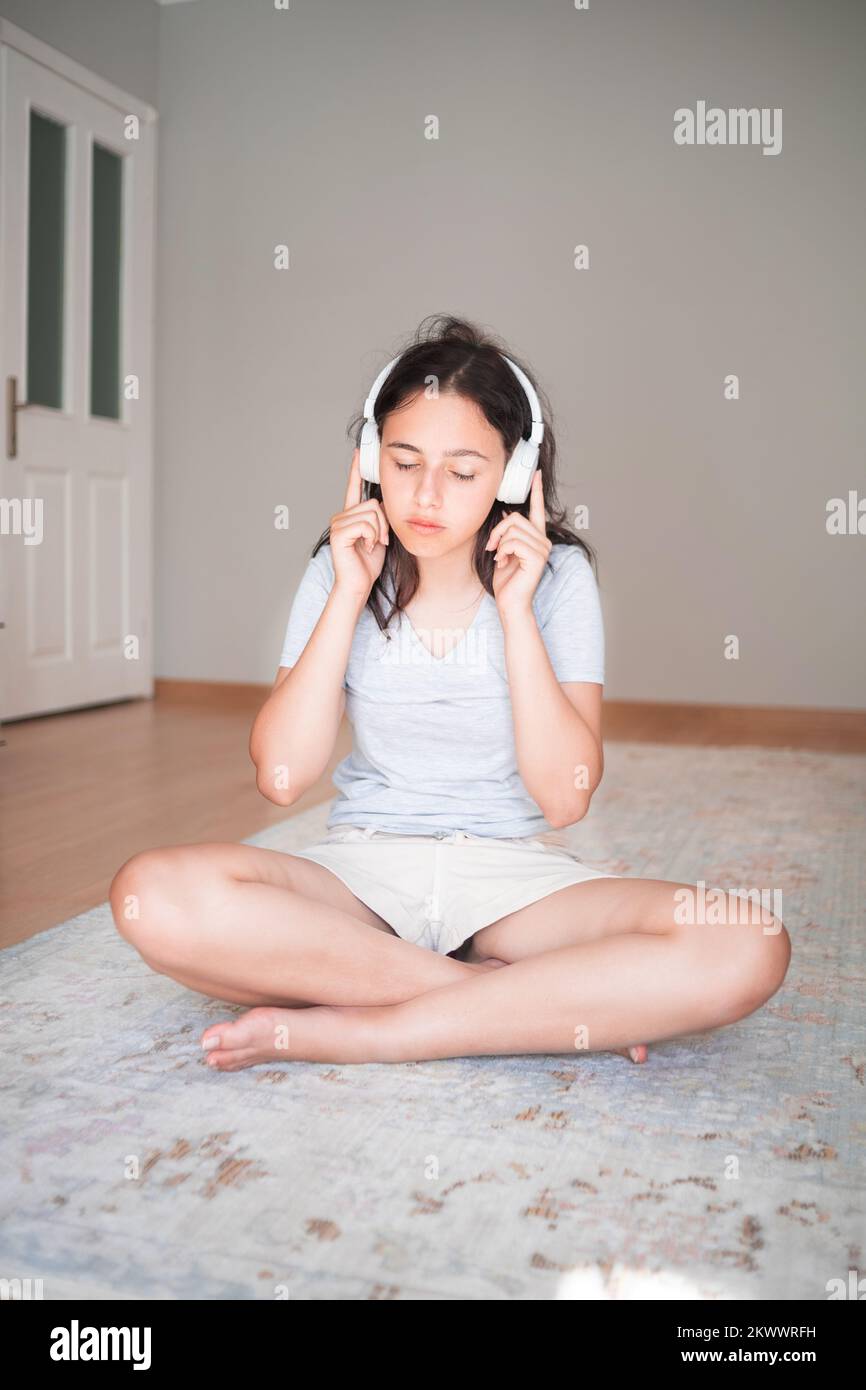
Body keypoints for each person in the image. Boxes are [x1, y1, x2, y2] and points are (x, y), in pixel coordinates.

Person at [110, 314, 791, 1070]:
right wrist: (348, 592)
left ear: (510, 475)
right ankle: (510, 1003)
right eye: (403, 463)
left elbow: (564, 799)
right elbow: (281, 777)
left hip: (514, 879)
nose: (426, 495)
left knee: (748, 943)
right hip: (361, 875)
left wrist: (515, 612)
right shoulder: (338, 570)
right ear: (371, 459)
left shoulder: (556, 580)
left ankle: (373, 1029)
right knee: (155, 895)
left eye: (462, 472)